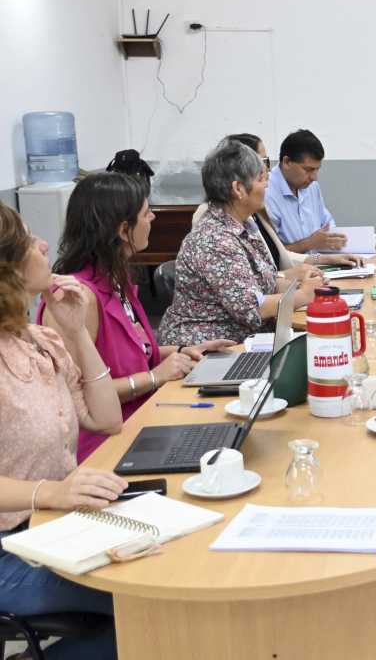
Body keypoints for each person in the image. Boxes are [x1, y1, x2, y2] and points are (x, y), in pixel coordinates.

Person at [0, 202, 127, 660]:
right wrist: (52, 493)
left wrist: (76, 334)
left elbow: (107, 419)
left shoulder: (41, 341)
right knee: (150, 602)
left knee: (160, 596)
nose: (44, 246)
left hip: (57, 530)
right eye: (30, 241)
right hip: (9, 553)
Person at [38, 173, 233, 462]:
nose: (153, 217)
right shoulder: (77, 298)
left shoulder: (116, 281)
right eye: (146, 213)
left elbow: (128, 354)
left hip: (144, 418)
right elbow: (75, 396)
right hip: (106, 446)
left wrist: (179, 352)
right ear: (122, 229)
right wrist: (155, 377)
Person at [159, 140, 321, 346]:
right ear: (239, 189)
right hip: (208, 350)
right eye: (262, 179)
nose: (267, 185)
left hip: (245, 342)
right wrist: (304, 294)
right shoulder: (215, 239)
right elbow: (253, 308)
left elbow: (266, 283)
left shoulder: (245, 225)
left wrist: (304, 283)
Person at [197, 133, 363, 272]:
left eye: (266, 162)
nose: (267, 174)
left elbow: (275, 258)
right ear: (238, 183)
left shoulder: (249, 216)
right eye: (262, 163)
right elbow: (249, 296)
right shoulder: (211, 222)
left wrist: (328, 259)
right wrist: (299, 292)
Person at [265, 128, 347, 254]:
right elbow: (268, 256)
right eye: (308, 170)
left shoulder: (311, 186)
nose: (314, 177)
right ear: (287, 162)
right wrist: (310, 243)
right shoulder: (266, 192)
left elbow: (327, 224)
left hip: (320, 265)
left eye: (317, 170)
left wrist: (335, 241)